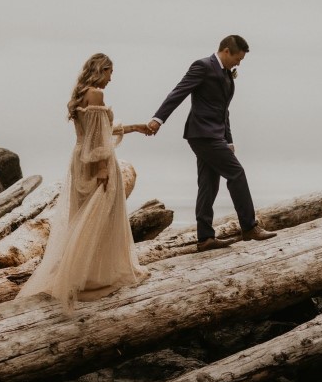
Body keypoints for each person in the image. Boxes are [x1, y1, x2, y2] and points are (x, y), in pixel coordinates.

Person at [17, 53, 150, 306]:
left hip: (79, 161)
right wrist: (102, 170)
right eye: (110, 72)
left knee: (81, 217)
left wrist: (135, 127)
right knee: (100, 218)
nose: (112, 78)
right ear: (102, 70)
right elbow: (99, 140)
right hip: (97, 163)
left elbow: (96, 132)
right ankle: (94, 278)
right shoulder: (96, 94)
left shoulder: (81, 93)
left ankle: (80, 274)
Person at [147, 34, 276, 251]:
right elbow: (179, 91)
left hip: (215, 135)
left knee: (208, 184)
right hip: (202, 134)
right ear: (226, 51)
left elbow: (223, 110)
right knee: (237, 173)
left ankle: (205, 238)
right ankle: (249, 226)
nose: (239, 63)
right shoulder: (203, 66)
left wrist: (229, 139)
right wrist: (158, 119)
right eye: (238, 58)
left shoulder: (226, 74)